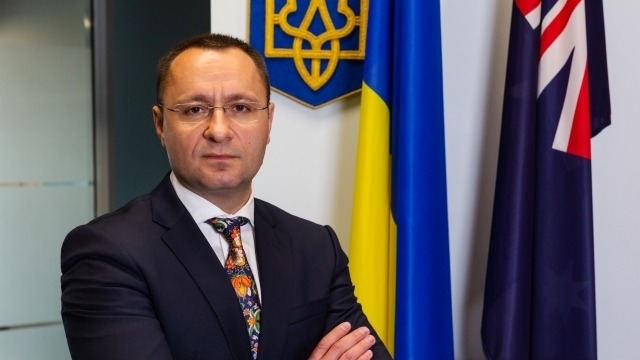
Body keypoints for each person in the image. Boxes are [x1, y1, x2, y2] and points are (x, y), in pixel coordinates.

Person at [60, 33, 392, 360]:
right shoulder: (107, 253)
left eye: (240, 107)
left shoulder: (316, 247)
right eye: (194, 110)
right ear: (161, 124)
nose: (219, 130)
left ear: (268, 121)